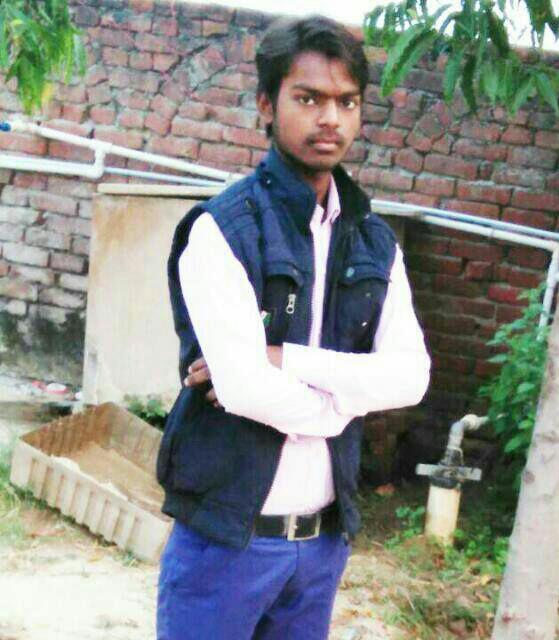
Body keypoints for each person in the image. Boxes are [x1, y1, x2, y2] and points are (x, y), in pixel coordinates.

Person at [156, 15, 430, 640]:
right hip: (226, 544)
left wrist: (288, 360)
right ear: (266, 104)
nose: (330, 118)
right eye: (308, 99)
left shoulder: (374, 241)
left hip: (322, 546)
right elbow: (245, 389)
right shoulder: (222, 230)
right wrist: (344, 404)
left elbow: (411, 376)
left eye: (346, 102)